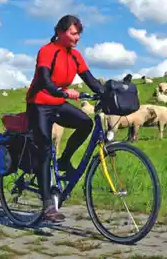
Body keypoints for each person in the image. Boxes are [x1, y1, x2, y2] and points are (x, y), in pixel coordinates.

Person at [25, 14, 105, 222]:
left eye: (79, 34)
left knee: (85, 123)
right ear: (60, 32)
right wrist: (61, 91)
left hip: (57, 103)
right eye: (73, 33)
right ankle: (47, 205)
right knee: (44, 150)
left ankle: (64, 160)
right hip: (39, 103)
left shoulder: (75, 55)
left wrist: (107, 92)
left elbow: (90, 79)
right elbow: (43, 80)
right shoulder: (47, 51)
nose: (77, 37)